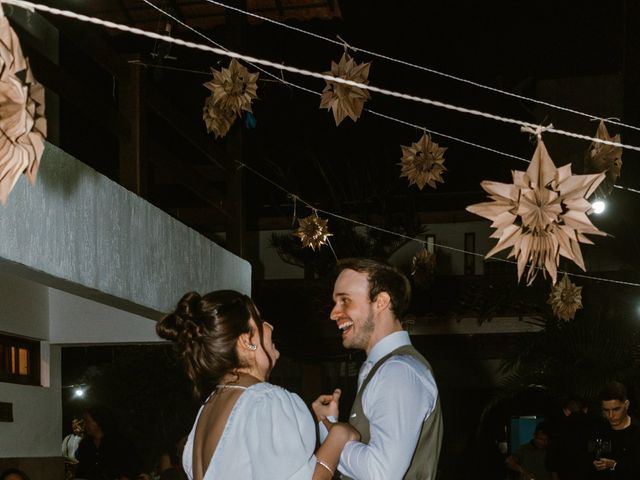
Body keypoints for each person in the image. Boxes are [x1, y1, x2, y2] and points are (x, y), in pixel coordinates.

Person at [156, 289, 359, 480]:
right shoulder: (265, 400)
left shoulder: (209, 408)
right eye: (260, 321)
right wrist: (338, 438)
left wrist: (319, 422)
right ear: (246, 341)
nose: (270, 327)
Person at [313, 258, 443, 480]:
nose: (334, 313)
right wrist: (329, 426)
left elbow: (380, 473)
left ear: (381, 302)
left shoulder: (397, 372)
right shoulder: (382, 368)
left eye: (345, 300)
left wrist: (334, 435)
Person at [74, 405, 142, 480]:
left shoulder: (120, 443)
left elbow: (133, 467)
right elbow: (82, 469)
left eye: (88, 421)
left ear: (99, 422)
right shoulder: (85, 444)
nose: (84, 425)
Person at [590, 381, 640, 478]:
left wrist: (614, 465)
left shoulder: (637, 431)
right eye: (606, 410)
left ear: (626, 404)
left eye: (616, 409)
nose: (611, 415)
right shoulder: (598, 429)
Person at [546, 396, 594, 480]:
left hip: (565, 473)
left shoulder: (558, 426)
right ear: (585, 409)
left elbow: (551, 458)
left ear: (567, 410)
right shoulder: (595, 424)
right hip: (590, 473)